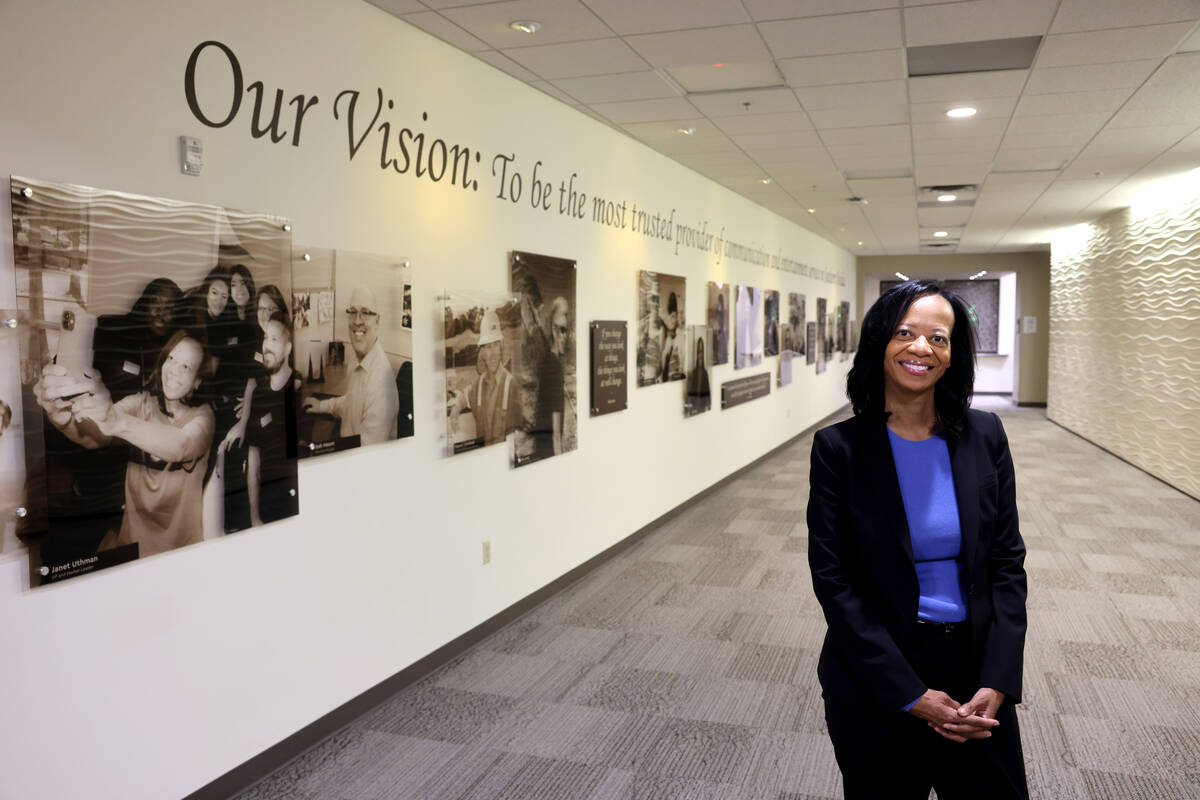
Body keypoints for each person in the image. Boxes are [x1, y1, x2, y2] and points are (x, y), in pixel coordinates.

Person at [806, 280, 1028, 800]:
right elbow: (834, 583)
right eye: (905, 332)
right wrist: (909, 694)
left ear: (952, 356)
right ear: (879, 342)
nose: (922, 348)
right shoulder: (839, 449)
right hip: (878, 672)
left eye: (939, 337)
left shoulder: (985, 434)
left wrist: (998, 679)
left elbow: (1006, 562)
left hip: (974, 671)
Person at [35, 331, 215, 558]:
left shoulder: (204, 417)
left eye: (186, 367)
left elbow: (182, 445)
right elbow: (94, 438)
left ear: (197, 381)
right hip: (131, 546)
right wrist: (63, 420)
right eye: (171, 359)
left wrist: (115, 421)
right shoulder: (140, 403)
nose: (173, 371)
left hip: (180, 553)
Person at [303, 286, 398, 445]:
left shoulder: (381, 384)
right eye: (352, 312)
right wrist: (322, 406)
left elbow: (365, 456)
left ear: (377, 321)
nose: (357, 320)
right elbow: (351, 403)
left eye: (366, 312)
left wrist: (322, 452)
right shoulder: (358, 357)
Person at [244, 312, 298, 525]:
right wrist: (254, 515)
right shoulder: (259, 394)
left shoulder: (297, 388)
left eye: (274, 339)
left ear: (288, 348)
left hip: (293, 508)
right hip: (266, 509)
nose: (266, 345)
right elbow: (253, 460)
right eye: (265, 337)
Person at [449, 309, 518, 448]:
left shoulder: (511, 386)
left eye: (495, 345)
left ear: (501, 347)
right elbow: (465, 396)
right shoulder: (479, 385)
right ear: (483, 352)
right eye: (487, 347)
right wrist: (455, 409)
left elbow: (516, 444)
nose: (491, 353)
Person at [685, 336, 710, 414]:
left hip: (702, 406)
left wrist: (708, 404)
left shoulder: (705, 372)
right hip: (695, 405)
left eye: (701, 352)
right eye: (699, 352)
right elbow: (691, 389)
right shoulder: (694, 372)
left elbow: (707, 389)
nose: (700, 356)